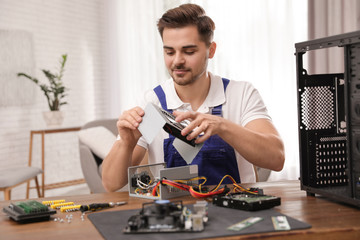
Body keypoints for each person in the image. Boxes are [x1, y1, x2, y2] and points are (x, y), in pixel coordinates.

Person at [102, 3, 285, 192]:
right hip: (175, 215)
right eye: (169, 52)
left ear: (211, 50)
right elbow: (111, 184)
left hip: (237, 210)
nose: (177, 61)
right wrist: (126, 143)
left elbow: (276, 158)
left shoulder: (240, 94)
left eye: (189, 51)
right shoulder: (153, 103)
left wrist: (222, 126)